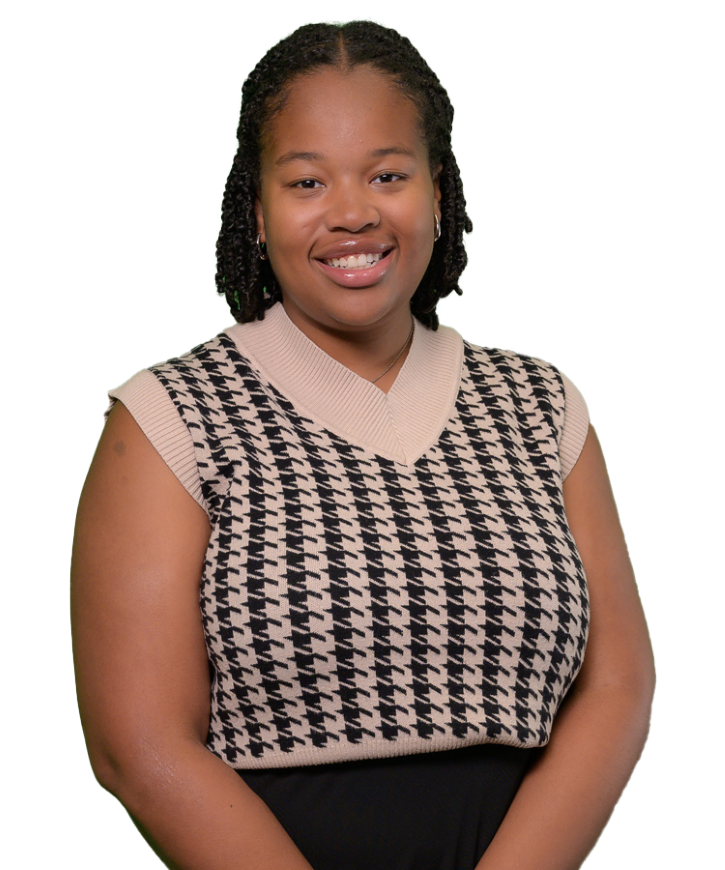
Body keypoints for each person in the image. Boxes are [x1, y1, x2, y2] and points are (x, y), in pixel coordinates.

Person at [70, 17, 656, 870]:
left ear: (438, 193)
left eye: (388, 174)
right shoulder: (171, 414)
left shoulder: (539, 402)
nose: (352, 213)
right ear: (256, 213)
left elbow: (618, 687)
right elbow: (139, 746)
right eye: (306, 182)